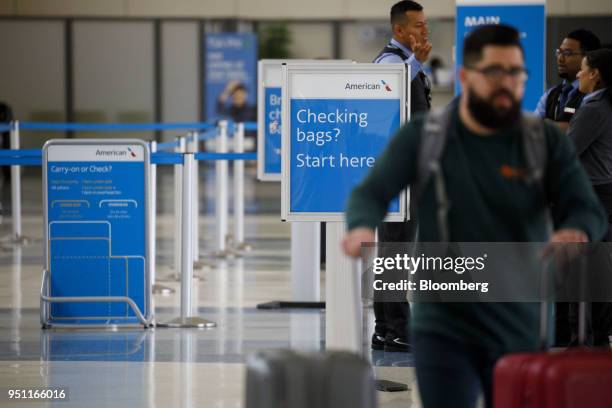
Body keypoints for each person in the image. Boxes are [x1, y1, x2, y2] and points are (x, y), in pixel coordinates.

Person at [343, 25, 606, 408]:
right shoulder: (425, 136)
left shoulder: (542, 141)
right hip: (444, 322)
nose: (507, 83)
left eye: (515, 73)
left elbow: (586, 207)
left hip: (519, 320)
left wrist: (575, 230)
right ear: (467, 77)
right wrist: (361, 224)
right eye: (494, 72)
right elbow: (371, 191)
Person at [370, 0, 433, 353]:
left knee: (396, 249)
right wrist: (416, 63)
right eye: (418, 25)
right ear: (399, 30)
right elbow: (385, 97)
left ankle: (387, 327)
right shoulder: (391, 62)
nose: (425, 31)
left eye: (426, 25)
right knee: (395, 249)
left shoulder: (410, 64)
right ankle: (394, 327)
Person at [567, 48, 612, 347]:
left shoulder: (595, 108)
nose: (578, 74)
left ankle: (583, 340)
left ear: (595, 73)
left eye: (583, 68)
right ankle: (595, 337)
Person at [534, 29, 601, 130]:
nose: (560, 58)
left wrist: (549, 125)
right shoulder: (551, 94)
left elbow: (582, 129)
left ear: (587, 58)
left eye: (567, 53)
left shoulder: (597, 95)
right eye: (559, 52)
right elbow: (532, 128)